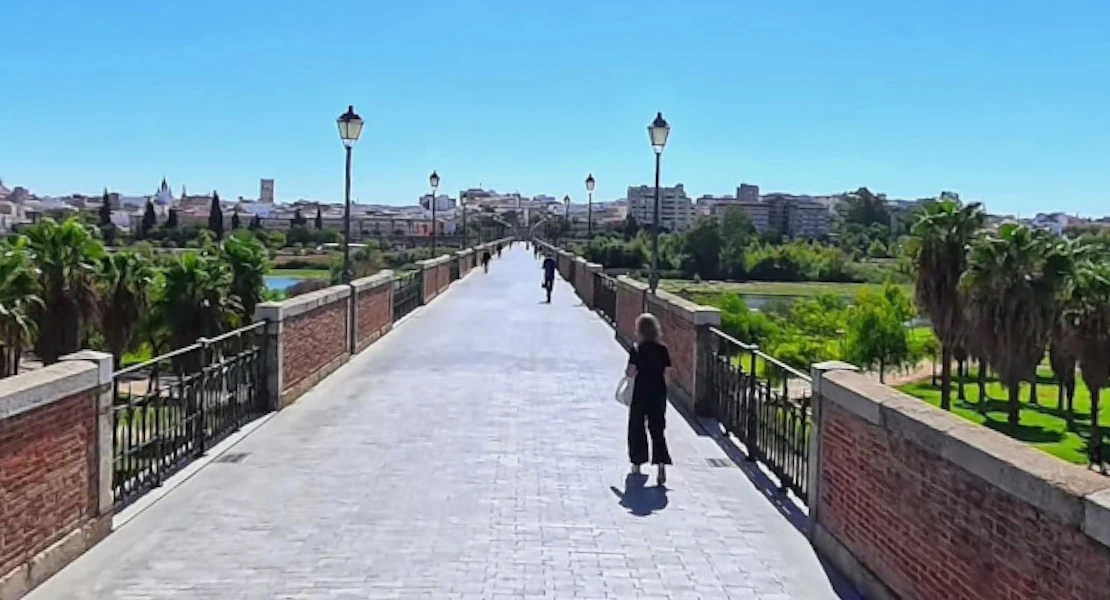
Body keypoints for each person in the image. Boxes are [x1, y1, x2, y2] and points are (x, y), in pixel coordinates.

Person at [625, 313, 672, 484]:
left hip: (641, 392)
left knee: (637, 426)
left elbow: (630, 372)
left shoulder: (637, 349)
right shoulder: (663, 349)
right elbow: (667, 375)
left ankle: (637, 462)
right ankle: (661, 464)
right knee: (657, 428)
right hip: (658, 392)